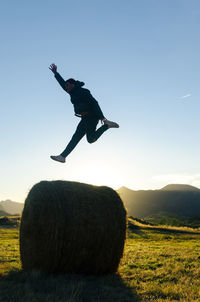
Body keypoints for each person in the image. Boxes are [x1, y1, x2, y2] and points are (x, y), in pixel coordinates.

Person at [49, 63, 119, 163]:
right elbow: (62, 84)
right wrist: (56, 73)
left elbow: (94, 103)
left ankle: (106, 125)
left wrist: (102, 118)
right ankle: (63, 156)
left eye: (68, 85)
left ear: (73, 85)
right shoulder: (72, 92)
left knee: (86, 139)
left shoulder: (83, 91)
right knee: (81, 138)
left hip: (91, 117)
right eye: (66, 86)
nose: (66, 88)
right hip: (84, 118)